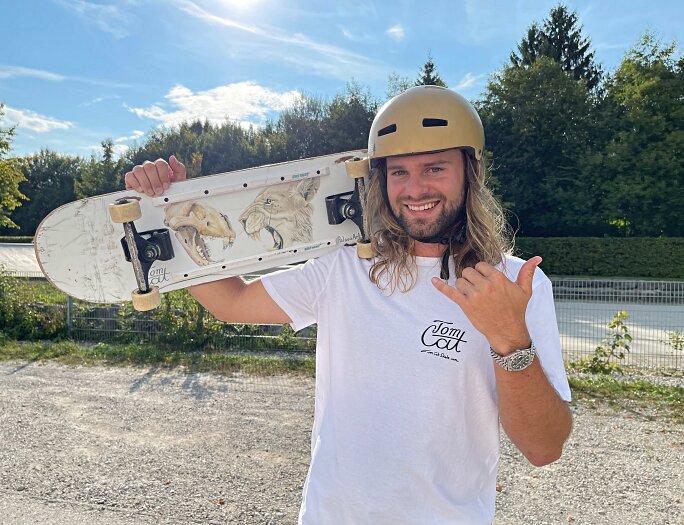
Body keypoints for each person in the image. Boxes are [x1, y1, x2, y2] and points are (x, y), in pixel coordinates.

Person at [126, 85, 573, 524]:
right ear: (380, 179)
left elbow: (544, 448)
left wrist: (509, 337)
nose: (414, 189)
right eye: (398, 172)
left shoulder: (515, 285)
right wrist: (173, 207)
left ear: (470, 173)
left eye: (434, 168)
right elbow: (233, 300)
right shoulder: (346, 266)